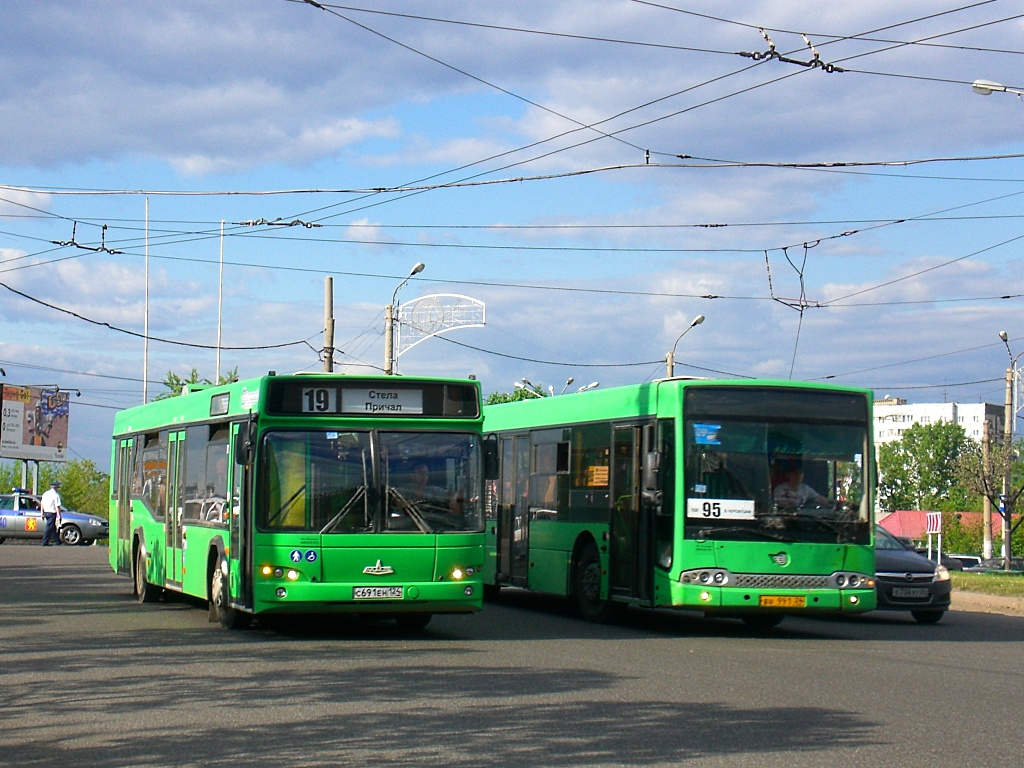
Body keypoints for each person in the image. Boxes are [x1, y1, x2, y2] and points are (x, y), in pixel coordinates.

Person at [40, 480, 63, 546]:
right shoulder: (56, 495)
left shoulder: (45, 493)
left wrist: (42, 513)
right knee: (49, 527)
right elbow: (57, 506)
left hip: (46, 512)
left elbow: (42, 504)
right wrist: (59, 516)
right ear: (56, 488)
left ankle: (57, 540)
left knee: (52, 527)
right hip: (52, 513)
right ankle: (45, 541)